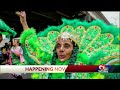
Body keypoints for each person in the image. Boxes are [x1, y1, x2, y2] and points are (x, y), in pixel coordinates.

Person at [16, 11, 120, 79]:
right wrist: (24, 23)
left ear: (74, 50)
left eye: (66, 46)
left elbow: (109, 67)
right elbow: (33, 48)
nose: (61, 49)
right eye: (58, 46)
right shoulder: (47, 64)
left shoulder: (85, 67)